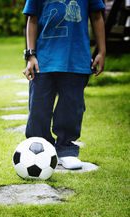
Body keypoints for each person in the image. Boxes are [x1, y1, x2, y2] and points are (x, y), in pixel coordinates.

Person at [22, 0, 106, 170]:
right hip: (43, 61)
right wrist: (30, 56)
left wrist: (102, 51)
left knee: (71, 107)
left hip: (76, 58)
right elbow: (32, 19)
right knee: (38, 108)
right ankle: (41, 149)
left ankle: (66, 149)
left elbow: (97, 17)